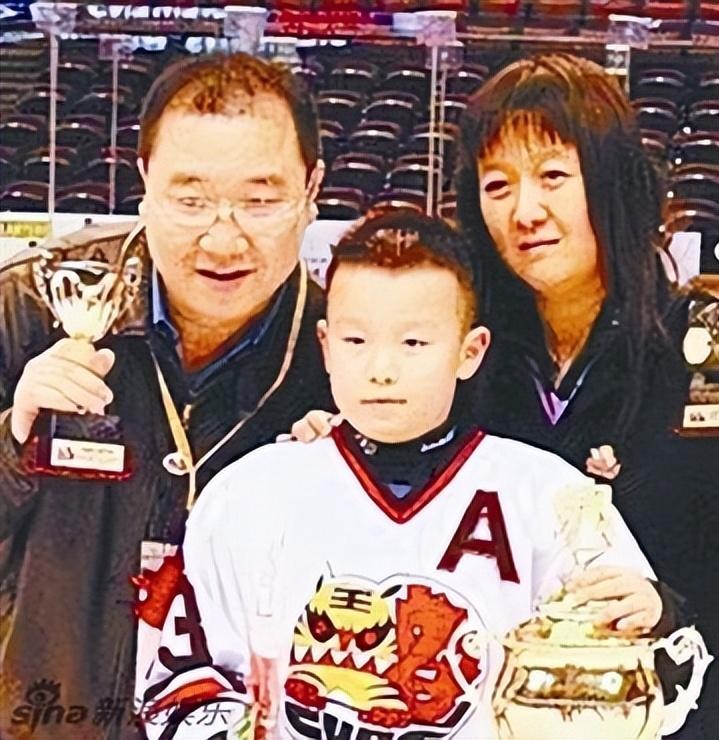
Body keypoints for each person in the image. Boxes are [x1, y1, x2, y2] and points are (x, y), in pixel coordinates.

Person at [139, 211, 690, 740]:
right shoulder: (249, 492)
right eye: (356, 341)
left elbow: (645, 688)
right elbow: (178, 684)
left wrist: (656, 616)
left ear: (470, 351)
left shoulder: (550, 495)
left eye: (413, 343)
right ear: (325, 346)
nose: (381, 369)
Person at [0, 52, 331, 739]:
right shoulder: (29, 304)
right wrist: (13, 438)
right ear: (145, 182)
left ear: (311, 192)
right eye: (191, 198)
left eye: (260, 200)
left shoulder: (347, 356)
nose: (223, 238)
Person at [452, 52, 719, 737]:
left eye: (552, 176)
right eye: (496, 185)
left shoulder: (702, 348)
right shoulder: (461, 359)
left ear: (612, 181)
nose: (524, 211)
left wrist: (668, 610)